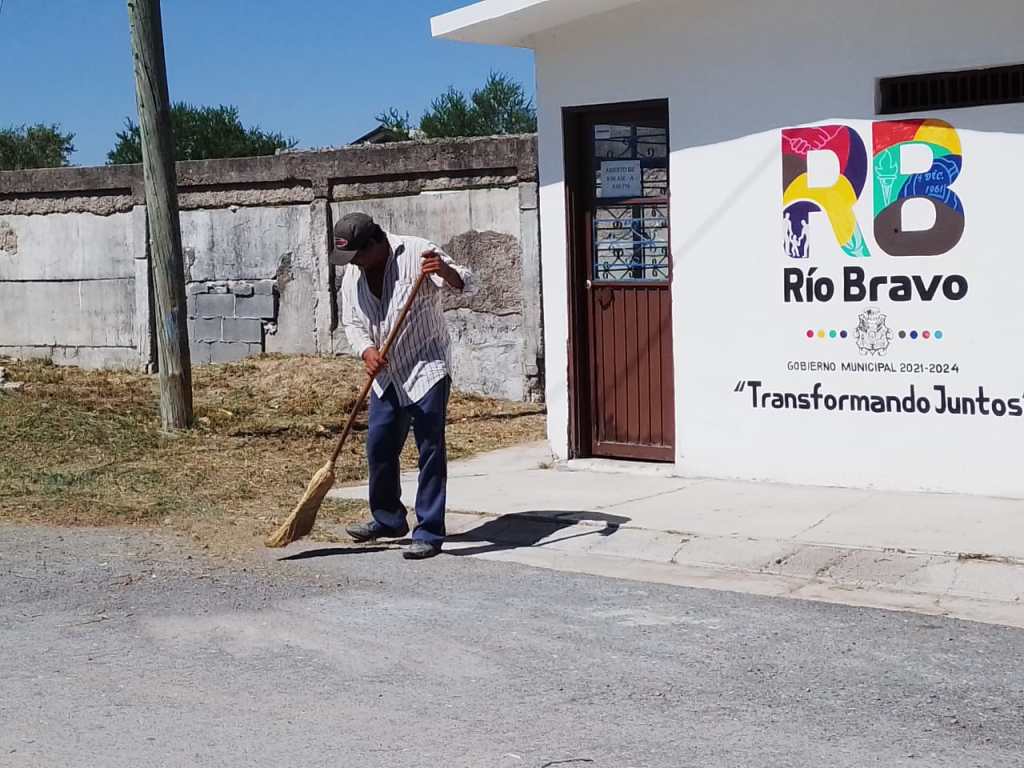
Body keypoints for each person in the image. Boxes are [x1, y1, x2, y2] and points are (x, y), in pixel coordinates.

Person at [333, 212, 473, 560]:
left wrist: (442, 270)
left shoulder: (417, 252)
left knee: (430, 449)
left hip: (426, 364)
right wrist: (366, 351)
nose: (354, 265)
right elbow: (351, 321)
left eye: (357, 257)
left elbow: (467, 282)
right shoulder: (354, 273)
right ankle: (388, 518)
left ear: (375, 243)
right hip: (386, 374)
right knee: (379, 446)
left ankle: (428, 531)